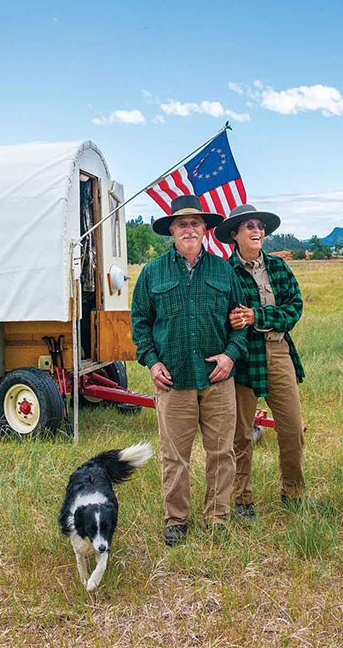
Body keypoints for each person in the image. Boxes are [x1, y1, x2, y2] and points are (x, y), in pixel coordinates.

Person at [131, 195, 248, 546]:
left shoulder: (223, 271)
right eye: (182, 224)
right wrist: (152, 361)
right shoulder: (152, 273)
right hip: (174, 379)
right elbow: (140, 324)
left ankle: (217, 518)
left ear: (205, 229)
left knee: (221, 453)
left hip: (217, 379)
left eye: (196, 223)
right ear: (171, 230)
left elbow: (240, 322)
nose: (189, 229)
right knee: (174, 456)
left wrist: (229, 355)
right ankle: (176, 521)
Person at [215, 204, 307, 518]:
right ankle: (242, 500)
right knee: (241, 433)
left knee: (292, 427)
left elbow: (294, 307)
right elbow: (224, 316)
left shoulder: (279, 268)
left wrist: (258, 316)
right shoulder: (225, 273)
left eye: (260, 227)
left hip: (278, 350)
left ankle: (293, 493)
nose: (257, 232)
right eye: (249, 227)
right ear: (235, 236)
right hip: (244, 356)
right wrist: (237, 321)